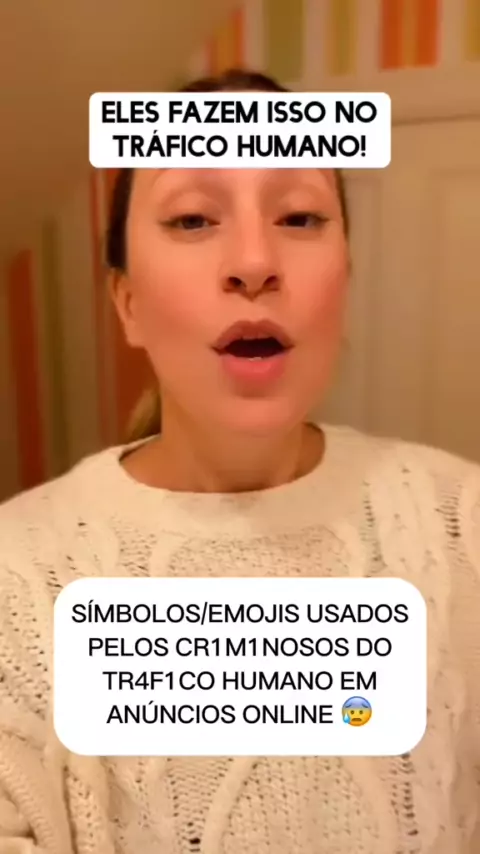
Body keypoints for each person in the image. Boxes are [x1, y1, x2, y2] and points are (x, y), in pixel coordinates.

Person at [0, 68, 479, 854]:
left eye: (299, 216)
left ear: (345, 280)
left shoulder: (465, 521)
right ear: (127, 304)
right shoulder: (15, 577)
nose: (255, 262)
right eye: (192, 219)